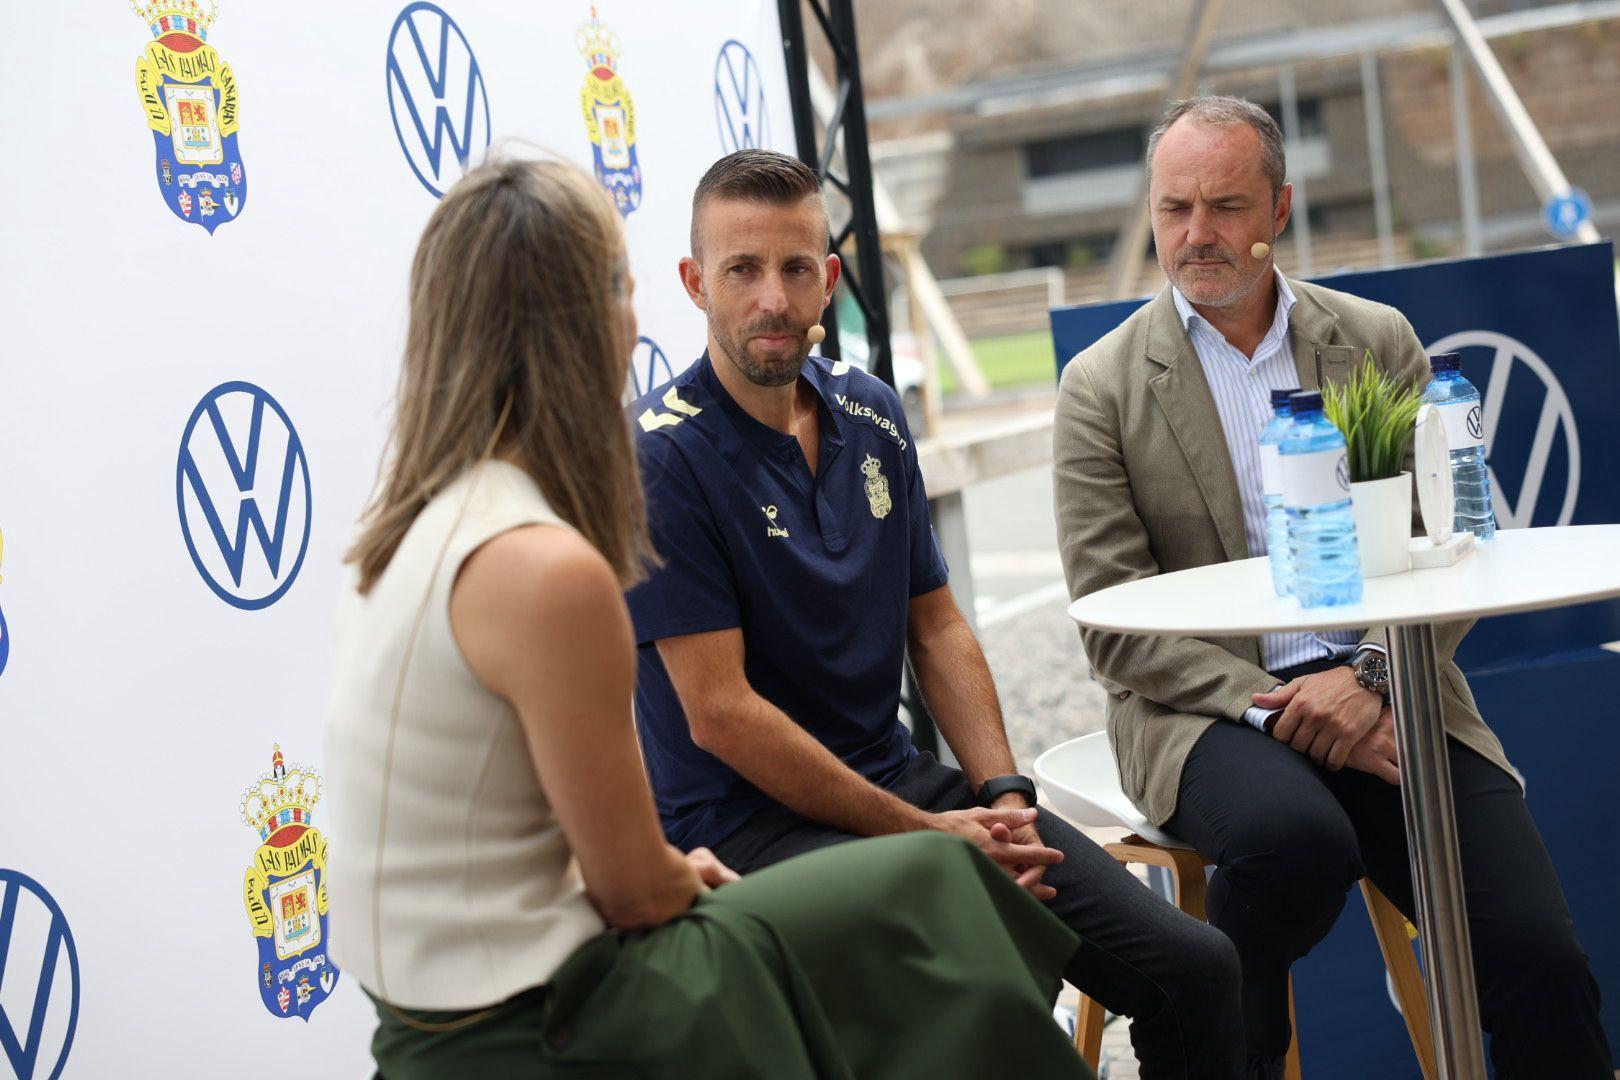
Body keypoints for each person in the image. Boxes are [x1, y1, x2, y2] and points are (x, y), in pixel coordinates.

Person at [321, 154, 1094, 1079]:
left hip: (434, 1010)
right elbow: (635, 887)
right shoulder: (549, 565)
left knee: (937, 888)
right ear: (589, 322)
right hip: (538, 1017)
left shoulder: (416, 527)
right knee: (938, 886)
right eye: (622, 287)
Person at [626, 147, 1246, 1079]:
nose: (772, 299)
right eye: (741, 270)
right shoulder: (661, 456)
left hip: (904, 791)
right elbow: (718, 714)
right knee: (988, 999)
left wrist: (1001, 798)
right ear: (693, 283)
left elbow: (937, 626)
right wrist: (930, 839)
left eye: (797, 269)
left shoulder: (869, 412)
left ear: (830, 279)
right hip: (747, 832)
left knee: (1197, 971)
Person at [1052, 96, 1613, 1079]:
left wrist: (1366, 676)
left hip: (1388, 693)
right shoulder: (1102, 388)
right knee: (1291, 843)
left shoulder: (1376, 340)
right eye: (1174, 208)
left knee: (1542, 961)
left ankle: (1209, 1013)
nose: (1196, 235)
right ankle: (1216, 1038)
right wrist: (1279, 712)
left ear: (1280, 208)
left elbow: (1457, 545)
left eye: (1225, 206)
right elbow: (1116, 628)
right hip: (1211, 711)